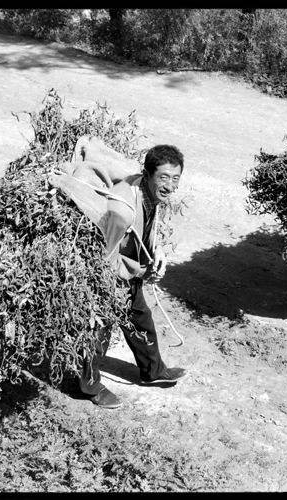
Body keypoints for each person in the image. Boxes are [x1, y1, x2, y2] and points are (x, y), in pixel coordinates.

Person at [80, 144, 187, 408]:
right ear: (147, 174)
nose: (170, 186)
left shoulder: (150, 194)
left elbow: (147, 228)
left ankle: (153, 372)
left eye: (175, 178)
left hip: (127, 270)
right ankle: (89, 387)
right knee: (99, 329)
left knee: (140, 318)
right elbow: (103, 255)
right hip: (107, 275)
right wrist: (127, 276)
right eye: (164, 177)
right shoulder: (122, 210)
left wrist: (156, 249)